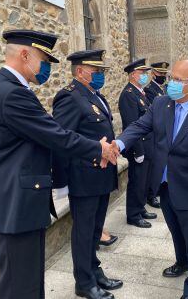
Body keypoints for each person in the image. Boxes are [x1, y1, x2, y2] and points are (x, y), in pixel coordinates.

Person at [0, 30, 116, 299]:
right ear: (25, 55)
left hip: (13, 202)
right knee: (21, 287)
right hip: (12, 204)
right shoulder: (11, 93)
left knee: (27, 282)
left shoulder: (8, 88)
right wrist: (99, 148)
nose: (46, 68)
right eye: (44, 60)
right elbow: (55, 134)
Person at [113, 59, 188, 299]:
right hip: (165, 185)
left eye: (178, 80)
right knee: (176, 231)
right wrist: (118, 143)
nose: (172, 84)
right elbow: (139, 126)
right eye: (171, 78)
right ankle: (182, 262)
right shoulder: (161, 103)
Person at [52, 50, 122, 299]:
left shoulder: (95, 95)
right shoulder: (69, 97)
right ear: (80, 72)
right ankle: (83, 282)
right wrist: (61, 183)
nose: (101, 76)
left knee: (95, 229)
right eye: (97, 72)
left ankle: (93, 270)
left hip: (102, 175)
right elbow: (61, 139)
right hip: (83, 176)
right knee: (84, 231)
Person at [118, 58, 157, 228]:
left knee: (144, 180)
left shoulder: (140, 93)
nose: (145, 76)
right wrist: (138, 150)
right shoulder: (128, 95)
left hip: (149, 144)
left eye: (146, 73)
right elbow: (131, 124)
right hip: (139, 147)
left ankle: (140, 208)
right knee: (137, 181)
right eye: (142, 73)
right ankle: (133, 214)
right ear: (133, 75)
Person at [144, 61, 170, 208]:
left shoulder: (165, 88)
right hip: (155, 133)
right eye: (160, 74)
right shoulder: (150, 90)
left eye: (165, 74)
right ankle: (151, 194)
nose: (163, 76)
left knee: (161, 163)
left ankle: (159, 188)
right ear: (153, 74)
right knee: (154, 166)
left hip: (165, 132)